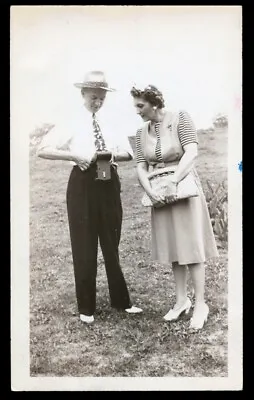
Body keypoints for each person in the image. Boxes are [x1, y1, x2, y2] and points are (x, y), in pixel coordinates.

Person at [37, 70, 142, 324]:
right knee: (84, 243)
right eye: (93, 97)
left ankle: (121, 301)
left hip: (109, 181)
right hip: (82, 182)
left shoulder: (111, 122)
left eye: (101, 98)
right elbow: (43, 150)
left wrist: (113, 154)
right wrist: (75, 156)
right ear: (83, 94)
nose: (97, 102)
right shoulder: (70, 121)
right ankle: (87, 307)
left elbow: (131, 154)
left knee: (111, 240)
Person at [130, 84, 219, 331]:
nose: (137, 111)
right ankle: (181, 300)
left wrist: (174, 180)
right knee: (174, 247)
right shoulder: (140, 132)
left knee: (191, 246)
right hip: (158, 191)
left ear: (154, 103)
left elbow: (191, 152)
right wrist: (150, 192)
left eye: (141, 105)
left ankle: (201, 304)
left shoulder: (180, 117)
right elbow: (140, 165)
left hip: (183, 187)